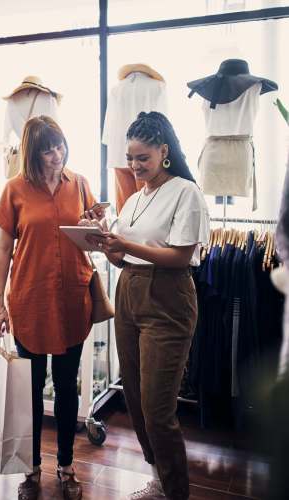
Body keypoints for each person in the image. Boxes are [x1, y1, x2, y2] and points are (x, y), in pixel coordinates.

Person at [85, 111, 209, 500]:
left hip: (168, 297)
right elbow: (123, 259)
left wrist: (127, 246)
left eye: (143, 158)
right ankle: (159, 476)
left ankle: (176, 492)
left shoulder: (185, 192)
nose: (135, 166)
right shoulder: (136, 199)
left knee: (157, 407)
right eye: (131, 158)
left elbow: (181, 256)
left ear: (164, 151)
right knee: (135, 399)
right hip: (129, 292)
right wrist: (103, 239)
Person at [0, 115, 103, 500]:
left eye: (59, 145)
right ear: (32, 153)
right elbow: (4, 251)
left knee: (68, 386)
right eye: (46, 149)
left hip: (73, 298)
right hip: (30, 300)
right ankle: (32, 467)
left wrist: (95, 227)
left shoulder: (81, 184)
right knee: (32, 389)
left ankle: (67, 465)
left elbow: (93, 240)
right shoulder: (14, 190)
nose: (56, 155)